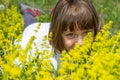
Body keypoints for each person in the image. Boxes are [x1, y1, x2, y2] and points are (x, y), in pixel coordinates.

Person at [19, 0, 102, 70]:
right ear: (58, 35)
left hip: (53, 27)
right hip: (34, 31)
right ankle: (28, 11)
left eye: (87, 33)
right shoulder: (48, 56)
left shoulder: (99, 47)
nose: (81, 43)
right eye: (71, 35)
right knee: (29, 22)